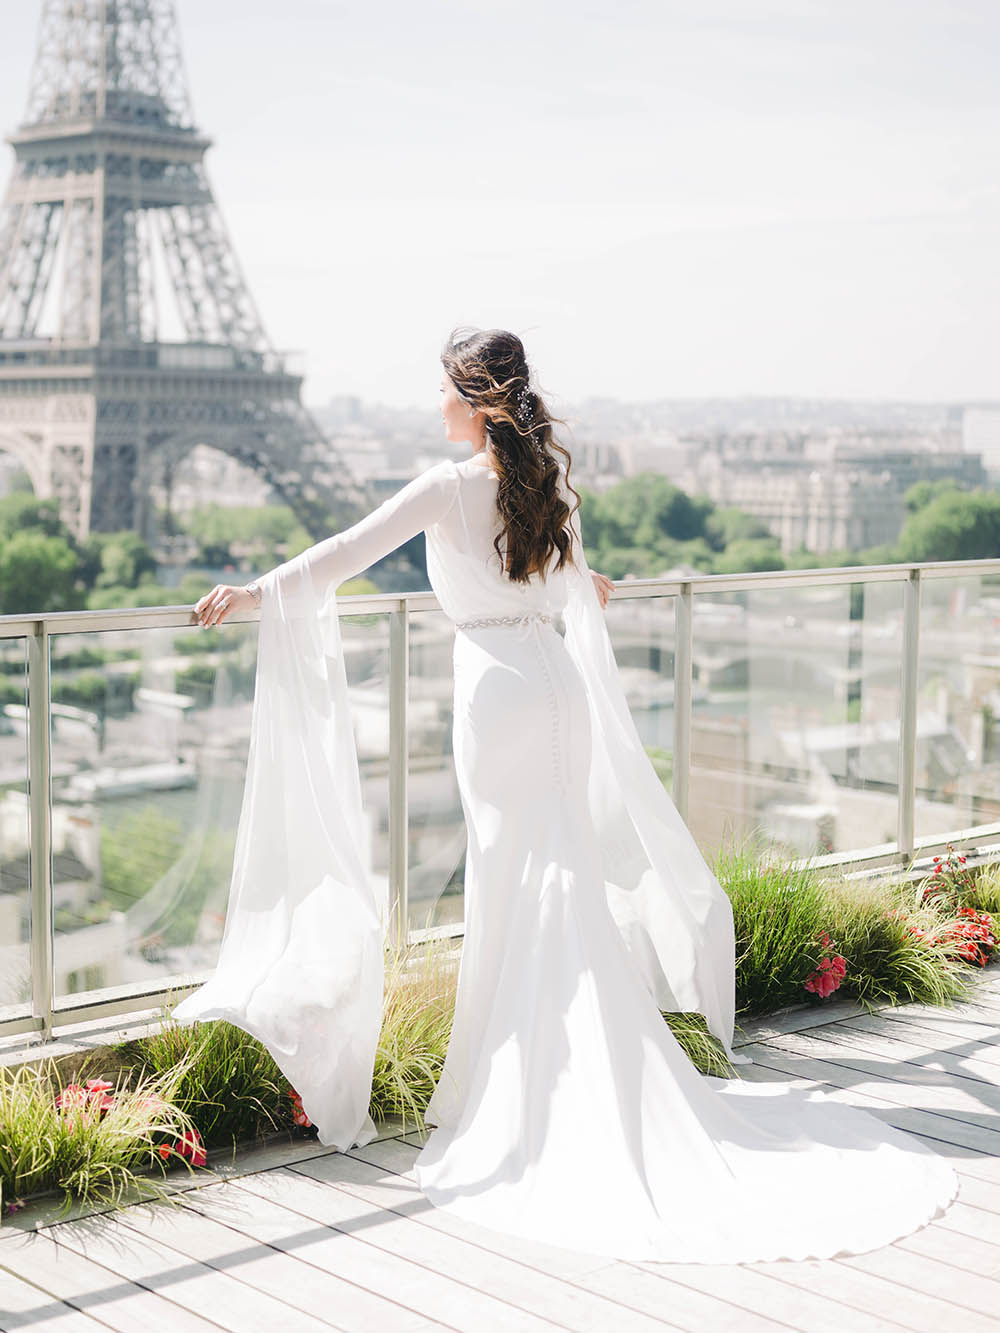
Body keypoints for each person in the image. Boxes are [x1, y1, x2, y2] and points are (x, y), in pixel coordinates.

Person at [176, 327, 958, 1264]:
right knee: (563, 876)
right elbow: (556, 579)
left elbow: (341, 555)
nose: (436, 408)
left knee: (510, 886)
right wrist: (585, 581)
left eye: (445, 392)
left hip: (498, 694)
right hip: (558, 687)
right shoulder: (547, 481)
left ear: (474, 398)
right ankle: (577, 1066)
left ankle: (516, 1083)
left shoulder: (446, 484)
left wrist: (251, 593)